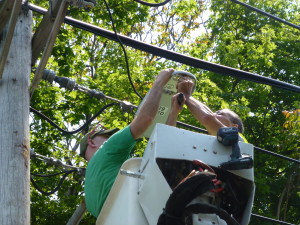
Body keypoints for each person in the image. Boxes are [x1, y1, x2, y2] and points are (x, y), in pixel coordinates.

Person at [80, 68, 179, 218]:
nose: (110, 139)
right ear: (91, 142)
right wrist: (159, 83)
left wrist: (174, 112)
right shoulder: (107, 150)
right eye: (106, 136)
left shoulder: (90, 193)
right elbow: (145, 120)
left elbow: (163, 153)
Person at [167, 77, 245, 137]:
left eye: (220, 114)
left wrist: (185, 93)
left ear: (234, 127)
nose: (214, 115)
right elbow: (167, 137)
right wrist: (174, 112)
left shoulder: (238, 139)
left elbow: (207, 118)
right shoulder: (212, 143)